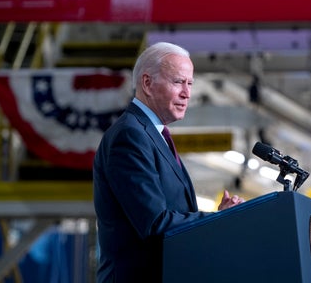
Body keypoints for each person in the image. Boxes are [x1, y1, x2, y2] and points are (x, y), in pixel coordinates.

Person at [93, 41, 244, 282]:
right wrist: (218, 218)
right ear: (147, 83)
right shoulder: (130, 135)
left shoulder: (151, 134)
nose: (187, 93)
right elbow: (154, 223)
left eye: (190, 83)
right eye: (178, 82)